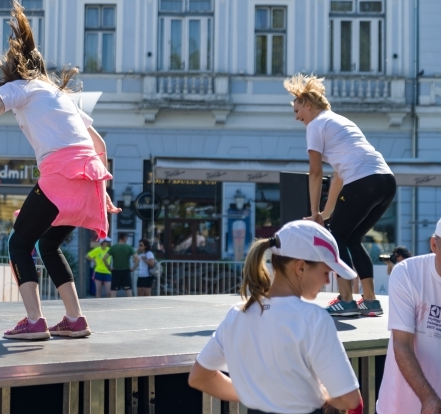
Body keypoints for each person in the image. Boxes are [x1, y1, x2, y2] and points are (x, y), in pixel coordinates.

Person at [0, 0, 120, 340]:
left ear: (14, 70)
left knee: (19, 243)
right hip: (89, 175)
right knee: (49, 244)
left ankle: (34, 320)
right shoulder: (59, 94)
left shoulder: (18, 88)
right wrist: (101, 193)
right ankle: (74, 318)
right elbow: (99, 145)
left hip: (61, 175)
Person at [189, 220, 363, 414]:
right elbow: (351, 400)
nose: (327, 280)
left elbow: (199, 377)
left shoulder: (236, 315)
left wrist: (259, 393)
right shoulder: (314, 319)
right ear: (301, 268)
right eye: (325, 272)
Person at [285, 74, 396, 317]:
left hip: (363, 182)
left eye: (297, 110)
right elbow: (338, 176)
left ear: (307, 104)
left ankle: (346, 300)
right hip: (386, 181)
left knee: (336, 238)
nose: (296, 117)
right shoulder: (339, 121)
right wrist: (325, 213)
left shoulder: (315, 125)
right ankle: (369, 300)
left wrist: (314, 214)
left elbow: (315, 173)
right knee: (352, 238)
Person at [376, 220, 441, 414]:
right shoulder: (407, 273)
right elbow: (402, 344)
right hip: (398, 407)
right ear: (434, 245)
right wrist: (429, 398)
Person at [105, 233, 138, 297]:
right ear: (124, 238)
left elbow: (104, 258)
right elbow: (137, 258)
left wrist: (109, 268)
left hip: (116, 271)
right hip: (126, 271)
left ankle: (112, 306)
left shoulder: (113, 247)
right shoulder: (128, 247)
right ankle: (130, 306)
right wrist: (134, 268)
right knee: (128, 291)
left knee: (114, 291)